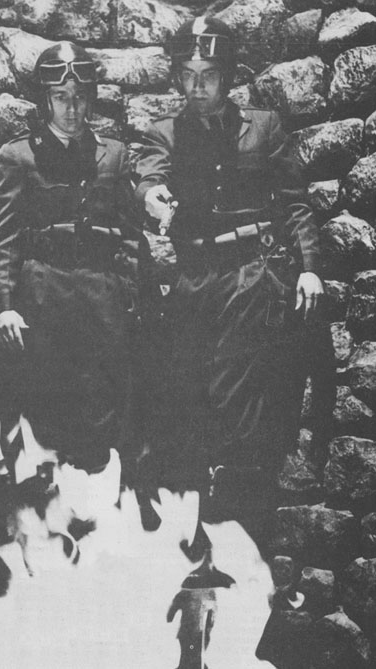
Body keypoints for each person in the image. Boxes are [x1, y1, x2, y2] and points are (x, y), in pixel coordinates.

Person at [134, 16, 330, 535]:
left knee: (237, 390)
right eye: (187, 74)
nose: (197, 86)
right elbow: (149, 176)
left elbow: (294, 203)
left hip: (251, 272)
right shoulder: (165, 132)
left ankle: (237, 515)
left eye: (208, 75)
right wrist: (152, 197)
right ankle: (199, 517)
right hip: (196, 277)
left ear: (227, 76)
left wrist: (310, 270)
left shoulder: (262, 127)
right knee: (186, 392)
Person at [0, 41, 149, 477]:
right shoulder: (19, 156)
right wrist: (3, 306)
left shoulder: (113, 155)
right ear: (45, 100)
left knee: (101, 407)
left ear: (90, 99)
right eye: (60, 98)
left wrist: (128, 292)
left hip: (100, 296)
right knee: (46, 406)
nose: (71, 110)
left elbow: (131, 235)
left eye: (79, 98)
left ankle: (95, 497)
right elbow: (4, 238)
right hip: (42, 295)